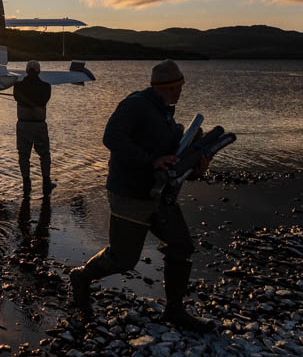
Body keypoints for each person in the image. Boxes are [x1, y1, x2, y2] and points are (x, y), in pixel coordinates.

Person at [69, 59, 215, 333]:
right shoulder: (135, 104)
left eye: (181, 86)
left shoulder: (167, 116)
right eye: (173, 88)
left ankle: (174, 310)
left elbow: (174, 161)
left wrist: (196, 169)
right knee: (123, 261)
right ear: (159, 87)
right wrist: (150, 161)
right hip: (130, 194)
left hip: (160, 197)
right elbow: (112, 137)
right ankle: (81, 277)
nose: (179, 92)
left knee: (181, 246)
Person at [12, 60, 55, 195]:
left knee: (23, 155)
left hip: (23, 124)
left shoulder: (18, 86)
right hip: (39, 125)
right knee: (44, 154)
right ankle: (46, 183)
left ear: (26, 71)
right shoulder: (46, 86)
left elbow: (18, 98)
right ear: (39, 71)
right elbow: (43, 100)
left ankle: (26, 184)